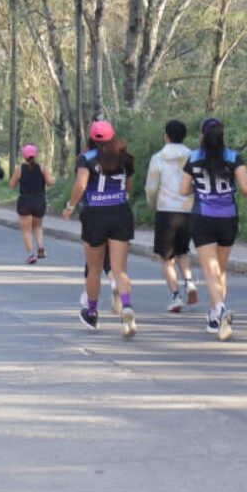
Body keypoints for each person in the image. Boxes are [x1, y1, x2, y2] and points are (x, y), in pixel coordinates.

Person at [180, 119, 247, 340]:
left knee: (210, 270)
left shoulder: (194, 157)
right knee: (220, 269)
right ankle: (214, 315)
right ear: (223, 135)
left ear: (202, 136)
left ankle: (219, 309)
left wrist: (197, 186)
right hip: (227, 217)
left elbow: (183, 190)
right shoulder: (233, 157)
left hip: (203, 217)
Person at [61, 121, 138, 336]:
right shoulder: (125, 157)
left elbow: (81, 185)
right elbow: (129, 185)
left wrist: (70, 206)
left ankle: (92, 312)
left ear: (92, 139)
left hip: (95, 214)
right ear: (113, 137)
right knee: (120, 270)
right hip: (120, 212)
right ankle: (127, 306)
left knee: (94, 269)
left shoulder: (86, 159)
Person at [145, 119, 198, 312]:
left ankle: (176, 296)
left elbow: (152, 188)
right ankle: (189, 282)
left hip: (166, 210)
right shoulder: (192, 156)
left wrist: (153, 205)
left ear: (166, 136)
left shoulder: (158, 158)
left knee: (167, 257)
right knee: (183, 251)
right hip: (187, 210)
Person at [9, 144, 55, 264]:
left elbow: (12, 185)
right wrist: (51, 177)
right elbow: (50, 182)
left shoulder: (19, 169)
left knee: (27, 230)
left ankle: (31, 255)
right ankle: (40, 246)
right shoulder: (42, 168)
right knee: (38, 226)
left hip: (25, 201)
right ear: (36, 155)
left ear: (24, 156)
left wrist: (18, 180)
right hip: (39, 201)